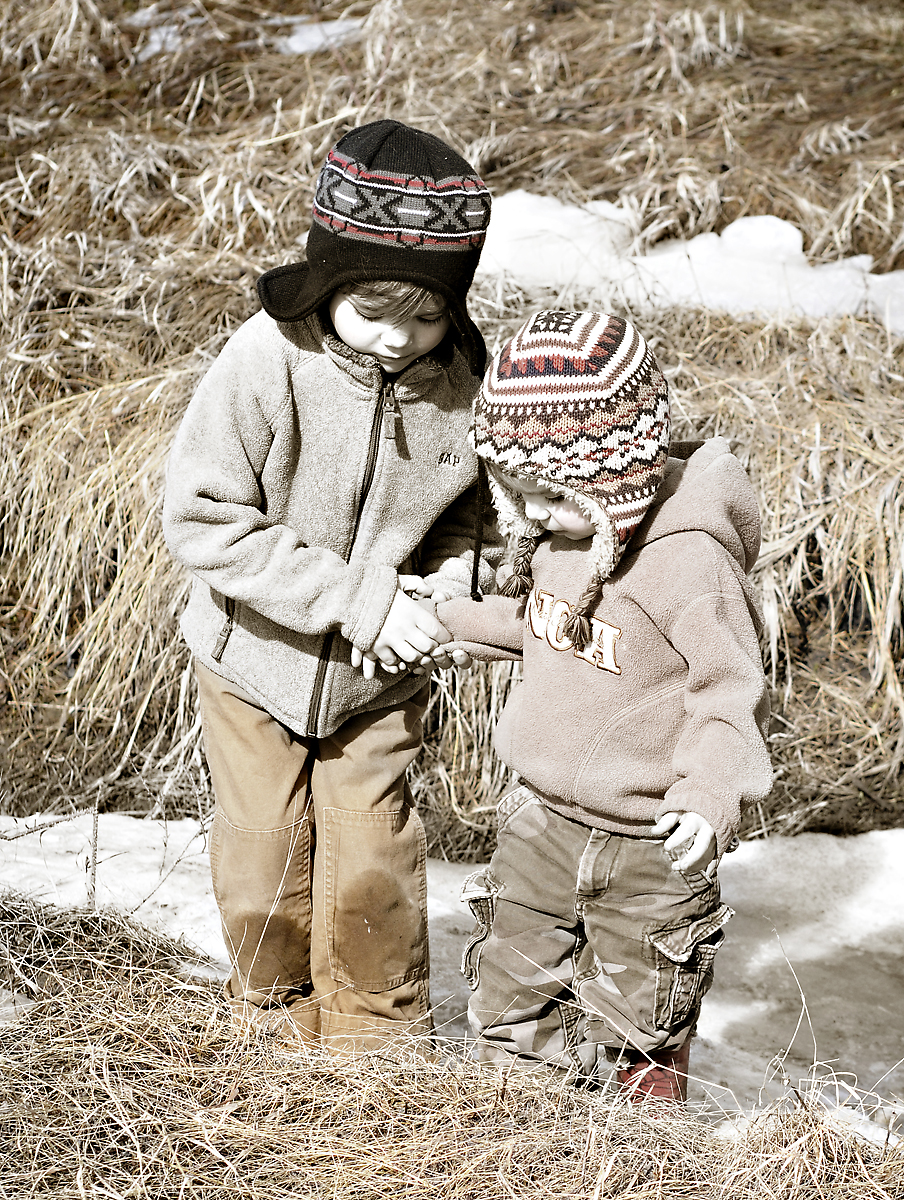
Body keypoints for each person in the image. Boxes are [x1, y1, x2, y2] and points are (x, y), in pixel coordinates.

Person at [162, 119, 499, 1053]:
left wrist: (436, 596)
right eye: (375, 311)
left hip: (379, 675)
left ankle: (377, 1049)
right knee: (265, 853)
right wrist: (360, 597)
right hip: (254, 662)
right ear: (329, 281)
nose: (401, 339)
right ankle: (275, 1033)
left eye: (427, 316)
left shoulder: (462, 382)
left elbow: (470, 517)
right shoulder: (267, 361)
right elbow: (203, 520)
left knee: (372, 858)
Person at [429, 309, 772, 1101]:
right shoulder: (563, 538)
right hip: (543, 824)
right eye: (515, 491)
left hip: (652, 846)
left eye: (552, 495)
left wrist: (709, 795)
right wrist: (448, 622)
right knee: (512, 989)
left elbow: (727, 691)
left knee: (638, 1021)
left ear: (616, 479)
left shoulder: (689, 564)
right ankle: (528, 1134)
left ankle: (640, 1161)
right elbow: (542, 625)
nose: (533, 515)